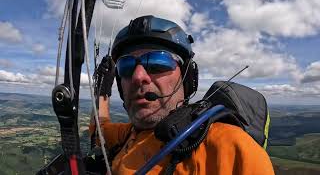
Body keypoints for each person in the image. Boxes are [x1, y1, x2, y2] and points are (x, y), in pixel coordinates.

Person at [89, 15, 275, 174]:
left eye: (156, 62)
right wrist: (102, 89)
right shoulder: (129, 134)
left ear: (187, 78)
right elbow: (98, 128)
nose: (138, 77)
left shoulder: (229, 147)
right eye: (126, 67)